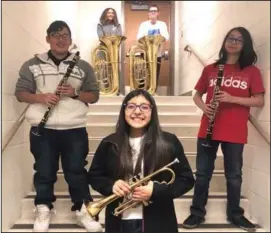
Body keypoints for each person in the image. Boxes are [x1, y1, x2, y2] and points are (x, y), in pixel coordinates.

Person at [14, 20, 103, 232]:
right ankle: (43, 207)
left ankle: (83, 209)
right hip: (43, 129)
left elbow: (95, 95)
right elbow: (20, 93)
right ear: (48, 39)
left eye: (65, 35)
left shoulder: (83, 66)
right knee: (44, 171)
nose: (60, 39)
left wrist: (75, 93)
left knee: (76, 171)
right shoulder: (32, 64)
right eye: (55, 35)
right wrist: (40, 97)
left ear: (70, 40)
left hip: (74, 128)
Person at [182, 27, 265, 232]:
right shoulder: (211, 68)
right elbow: (196, 95)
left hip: (235, 131)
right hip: (208, 128)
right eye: (230, 38)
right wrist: (204, 108)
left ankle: (235, 215)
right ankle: (196, 213)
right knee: (202, 174)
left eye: (239, 40)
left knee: (234, 176)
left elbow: (259, 100)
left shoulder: (251, 71)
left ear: (245, 46)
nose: (233, 42)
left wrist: (232, 98)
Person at [87, 89, 195, 233]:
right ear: (123, 110)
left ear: (152, 111)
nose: (137, 112)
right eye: (131, 106)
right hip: (119, 220)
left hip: (159, 221)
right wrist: (111, 185)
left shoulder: (168, 142)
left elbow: (186, 179)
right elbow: (95, 177)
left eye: (144, 107)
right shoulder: (109, 143)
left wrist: (156, 190)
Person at [136, 4, 169, 93]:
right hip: (145, 53)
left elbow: (166, 36)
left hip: (157, 54)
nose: (153, 12)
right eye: (151, 11)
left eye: (155, 11)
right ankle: (142, 91)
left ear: (158, 13)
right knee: (143, 73)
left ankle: (153, 91)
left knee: (155, 73)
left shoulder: (162, 24)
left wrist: (156, 38)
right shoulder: (143, 24)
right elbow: (139, 37)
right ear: (148, 13)